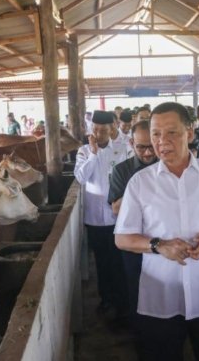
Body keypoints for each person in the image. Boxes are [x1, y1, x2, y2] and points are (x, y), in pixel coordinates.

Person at [114, 102, 199, 360]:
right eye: (155, 133)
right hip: (160, 294)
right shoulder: (140, 183)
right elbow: (122, 238)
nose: (162, 141)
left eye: (171, 132)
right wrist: (158, 245)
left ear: (189, 132)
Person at [74, 111, 130, 320]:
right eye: (95, 129)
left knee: (118, 261)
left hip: (119, 217)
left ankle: (122, 301)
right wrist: (94, 154)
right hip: (96, 219)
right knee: (101, 262)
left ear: (112, 129)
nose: (98, 133)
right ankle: (106, 299)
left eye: (103, 130)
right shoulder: (84, 151)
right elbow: (81, 177)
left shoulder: (123, 149)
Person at [107, 120, 158, 323]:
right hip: (134, 240)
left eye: (151, 147)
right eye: (141, 147)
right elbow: (116, 208)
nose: (147, 153)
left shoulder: (168, 168)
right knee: (136, 287)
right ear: (131, 143)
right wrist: (139, 187)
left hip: (164, 237)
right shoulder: (122, 170)